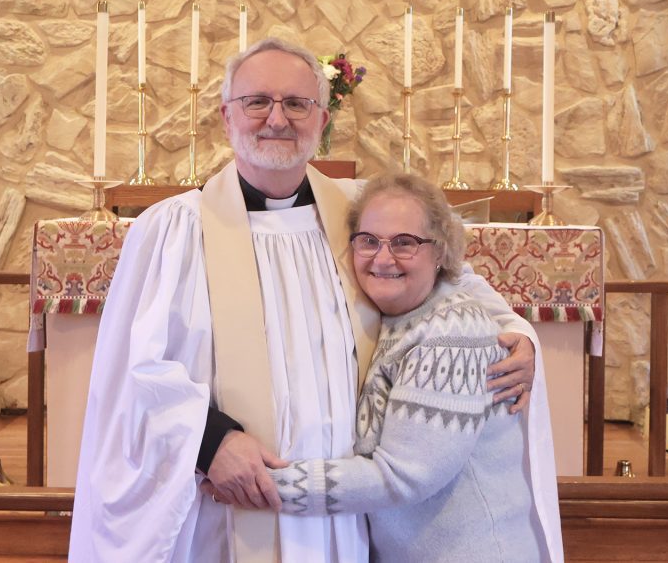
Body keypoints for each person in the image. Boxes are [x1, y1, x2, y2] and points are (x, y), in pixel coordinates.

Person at [68, 37, 542, 562]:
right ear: (227, 117)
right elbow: (130, 369)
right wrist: (212, 442)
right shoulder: (173, 229)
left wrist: (518, 335)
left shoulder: (361, 213)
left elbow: (455, 276)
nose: (277, 118)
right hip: (225, 505)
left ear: (321, 121)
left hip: (338, 519)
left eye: (297, 104)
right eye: (257, 102)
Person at [269, 173, 563, 562]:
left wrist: (271, 485)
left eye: (405, 243)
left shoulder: (452, 331)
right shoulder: (389, 317)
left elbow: (406, 476)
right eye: (369, 241)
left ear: (440, 252)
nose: (383, 258)